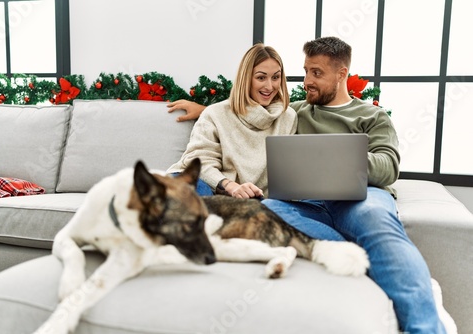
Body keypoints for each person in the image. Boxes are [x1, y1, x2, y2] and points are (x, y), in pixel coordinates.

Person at [167, 37, 448, 333]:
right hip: (303, 202)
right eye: (305, 71)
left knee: (375, 222)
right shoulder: (296, 111)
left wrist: (341, 157)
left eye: (317, 73)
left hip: (360, 197)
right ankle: (362, 255)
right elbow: (245, 112)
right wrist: (204, 109)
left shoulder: (371, 115)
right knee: (265, 211)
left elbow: (389, 166)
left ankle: (425, 328)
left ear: (341, 75)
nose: (307, 81)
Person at [166, 43, 297, 198]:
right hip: (209, 184)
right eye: (261, 77)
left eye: (275, 77)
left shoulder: (287, 117)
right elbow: (199, 162)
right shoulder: (215, 113)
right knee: (191, 196)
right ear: (246, 78)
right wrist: (231, 186)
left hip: (252, 197)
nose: (270, 86)